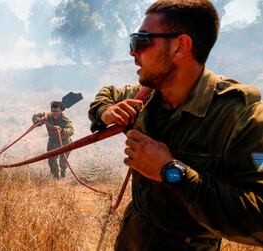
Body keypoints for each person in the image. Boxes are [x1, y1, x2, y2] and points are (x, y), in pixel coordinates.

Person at [88, 0, 263, 250]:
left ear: (180, 47)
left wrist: (170, 171)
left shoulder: (239, 116)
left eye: (142, 41)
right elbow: (105, 95)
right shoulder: (144, 97)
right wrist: (106, 112)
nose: (133, 52)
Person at [32, 101, 74, 179]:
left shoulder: (65, 119)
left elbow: (71, 131)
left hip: (65, 142)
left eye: (56, 111)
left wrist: (62, 131)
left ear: (61, 110)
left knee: (63, 161)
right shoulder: (47, 115)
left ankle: (63, 174)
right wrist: (40, 119)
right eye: (53, 111)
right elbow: (34, 118)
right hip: (53, 141)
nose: (54, 113)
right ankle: (56, 178)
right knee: (51, 161)